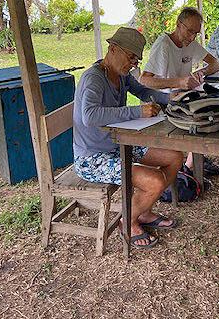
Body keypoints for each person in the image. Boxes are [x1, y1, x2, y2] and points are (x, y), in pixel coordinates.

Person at [73, 27, 184, 249]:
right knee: (155, 180)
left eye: (136, 59)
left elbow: (144, 92)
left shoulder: (121, 75)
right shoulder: (93, 78)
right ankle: (128, 222)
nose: (133, 63)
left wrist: (172, 99)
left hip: (118, 145)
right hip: (92, 158)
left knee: (175, 157)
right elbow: (89, 116)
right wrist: (137, 112)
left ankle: (142, 212)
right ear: (113, 49)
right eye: (130, 57)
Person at [140, 7, 219, 176]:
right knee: (199, 116)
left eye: (196, 33)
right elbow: (144, 80)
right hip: (161, 102)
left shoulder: (191, 44)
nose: (192, 37)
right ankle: (190, 164)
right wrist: (178, 82)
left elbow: (216, 64)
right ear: (179, 24)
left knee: (209, 109)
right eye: (189, 31)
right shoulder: (164, 45)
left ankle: (192, 162)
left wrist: (200, 72)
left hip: (181, 98)